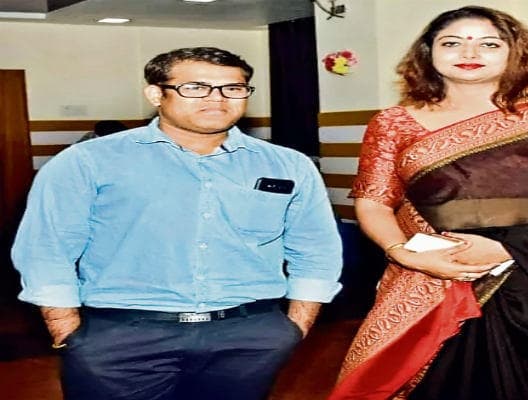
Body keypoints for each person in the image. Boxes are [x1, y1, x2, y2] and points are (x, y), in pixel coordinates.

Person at [328, 6, 528, 400]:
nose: (469, 53)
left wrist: (510, 249)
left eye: (489, 44)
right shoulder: (393, 123)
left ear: (515, 52)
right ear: (428, 52)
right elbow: (373, 202)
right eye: (451, 43)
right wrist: (403, 253)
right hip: (430, 276)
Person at [12, 46, 343, 400]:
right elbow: (47, 249)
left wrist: (296, 326)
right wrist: (66, 330)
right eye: (196, 87)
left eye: (233, 88)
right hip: (122, 336)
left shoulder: (288, 165)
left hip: (250, 336)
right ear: (156, 94)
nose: (217, 98)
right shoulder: (88, 161)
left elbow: (316, 248)